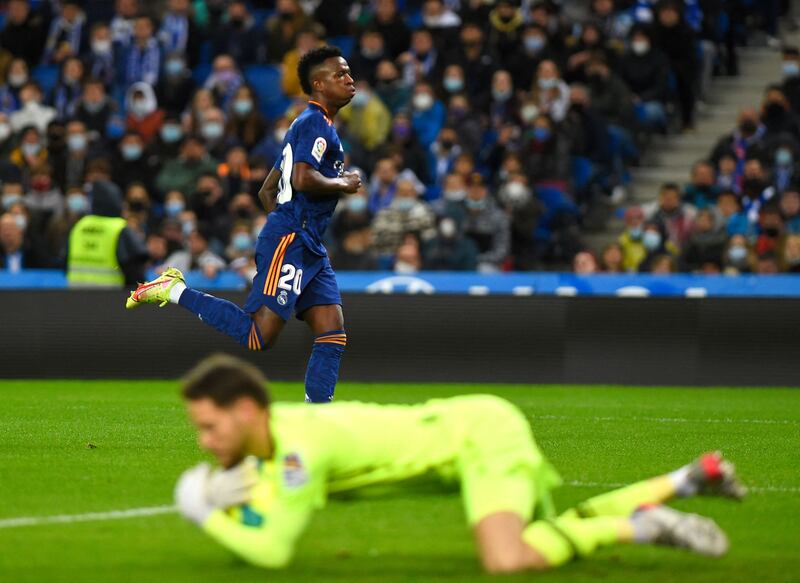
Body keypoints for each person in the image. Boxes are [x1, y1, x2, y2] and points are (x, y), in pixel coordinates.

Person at [173, 353, 745, 572]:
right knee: (556, 534)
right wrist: (238, 513)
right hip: (468, 426)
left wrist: (205, 513)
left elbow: (273, 551)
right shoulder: (279, 442)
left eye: (209, 425)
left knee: (506, 558)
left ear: (247, 410)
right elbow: (265, 522)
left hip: (479, 437)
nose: (203, 441)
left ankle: (644, 526)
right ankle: (688, 479)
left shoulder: (298, 452)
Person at [127, 46, 361, 404]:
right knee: (259, 336)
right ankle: (172, 289)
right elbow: (300, 178)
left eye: (348, 72)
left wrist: (289, 225)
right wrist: (338, 186)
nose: (349, 79)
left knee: (332, 331)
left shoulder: (314, 124)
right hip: (294, 239)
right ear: (318, 84)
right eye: (340, 74)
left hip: (305, 242)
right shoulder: (314, 122)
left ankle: (318, 420)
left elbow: (269, 188)